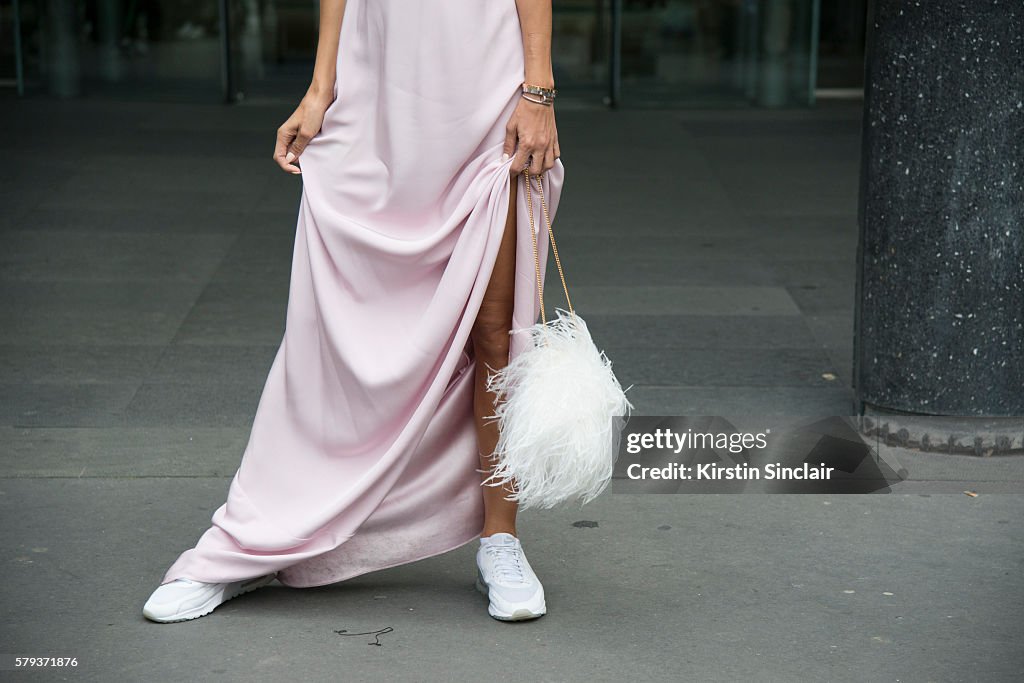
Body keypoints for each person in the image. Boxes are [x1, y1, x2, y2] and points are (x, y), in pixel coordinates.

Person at [142, 0, 564, 624]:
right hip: (380, 88)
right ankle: (262, 535)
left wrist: (539, 90)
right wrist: (321, 89)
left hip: (488, 91)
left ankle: (500, 539)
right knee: (329, 325)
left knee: (495, 333)